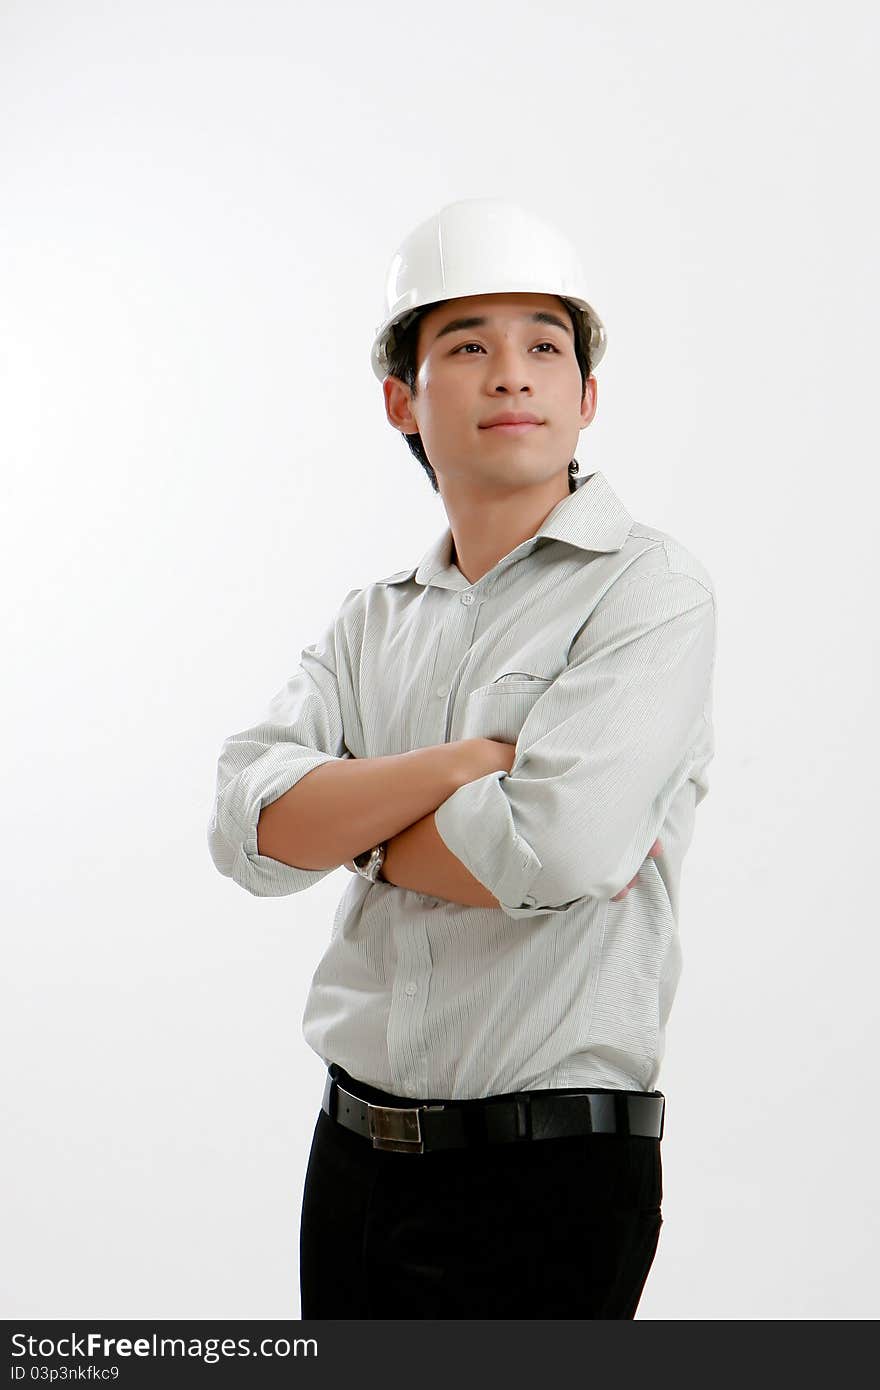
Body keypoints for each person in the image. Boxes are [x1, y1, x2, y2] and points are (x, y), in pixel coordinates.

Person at [206, 197, 717, 1319]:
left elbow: (557, 848)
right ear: (402, 398)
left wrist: (354, 834)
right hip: (352, 1159)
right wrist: (461, 768)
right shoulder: (368, 622)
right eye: (467, 345)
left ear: (585, 398)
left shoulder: (646, 590)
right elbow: (247, 828)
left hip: (551, 1178)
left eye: (544, 345)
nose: (511, 374)